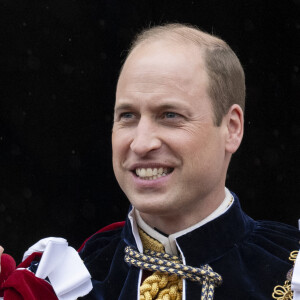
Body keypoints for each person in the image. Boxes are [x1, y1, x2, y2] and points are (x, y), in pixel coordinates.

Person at [1, 23, 299, 300]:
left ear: (232, 128)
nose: (142, 143)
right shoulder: (62, 283)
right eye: (127, 116)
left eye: (170, 115)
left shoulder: (289, 270)